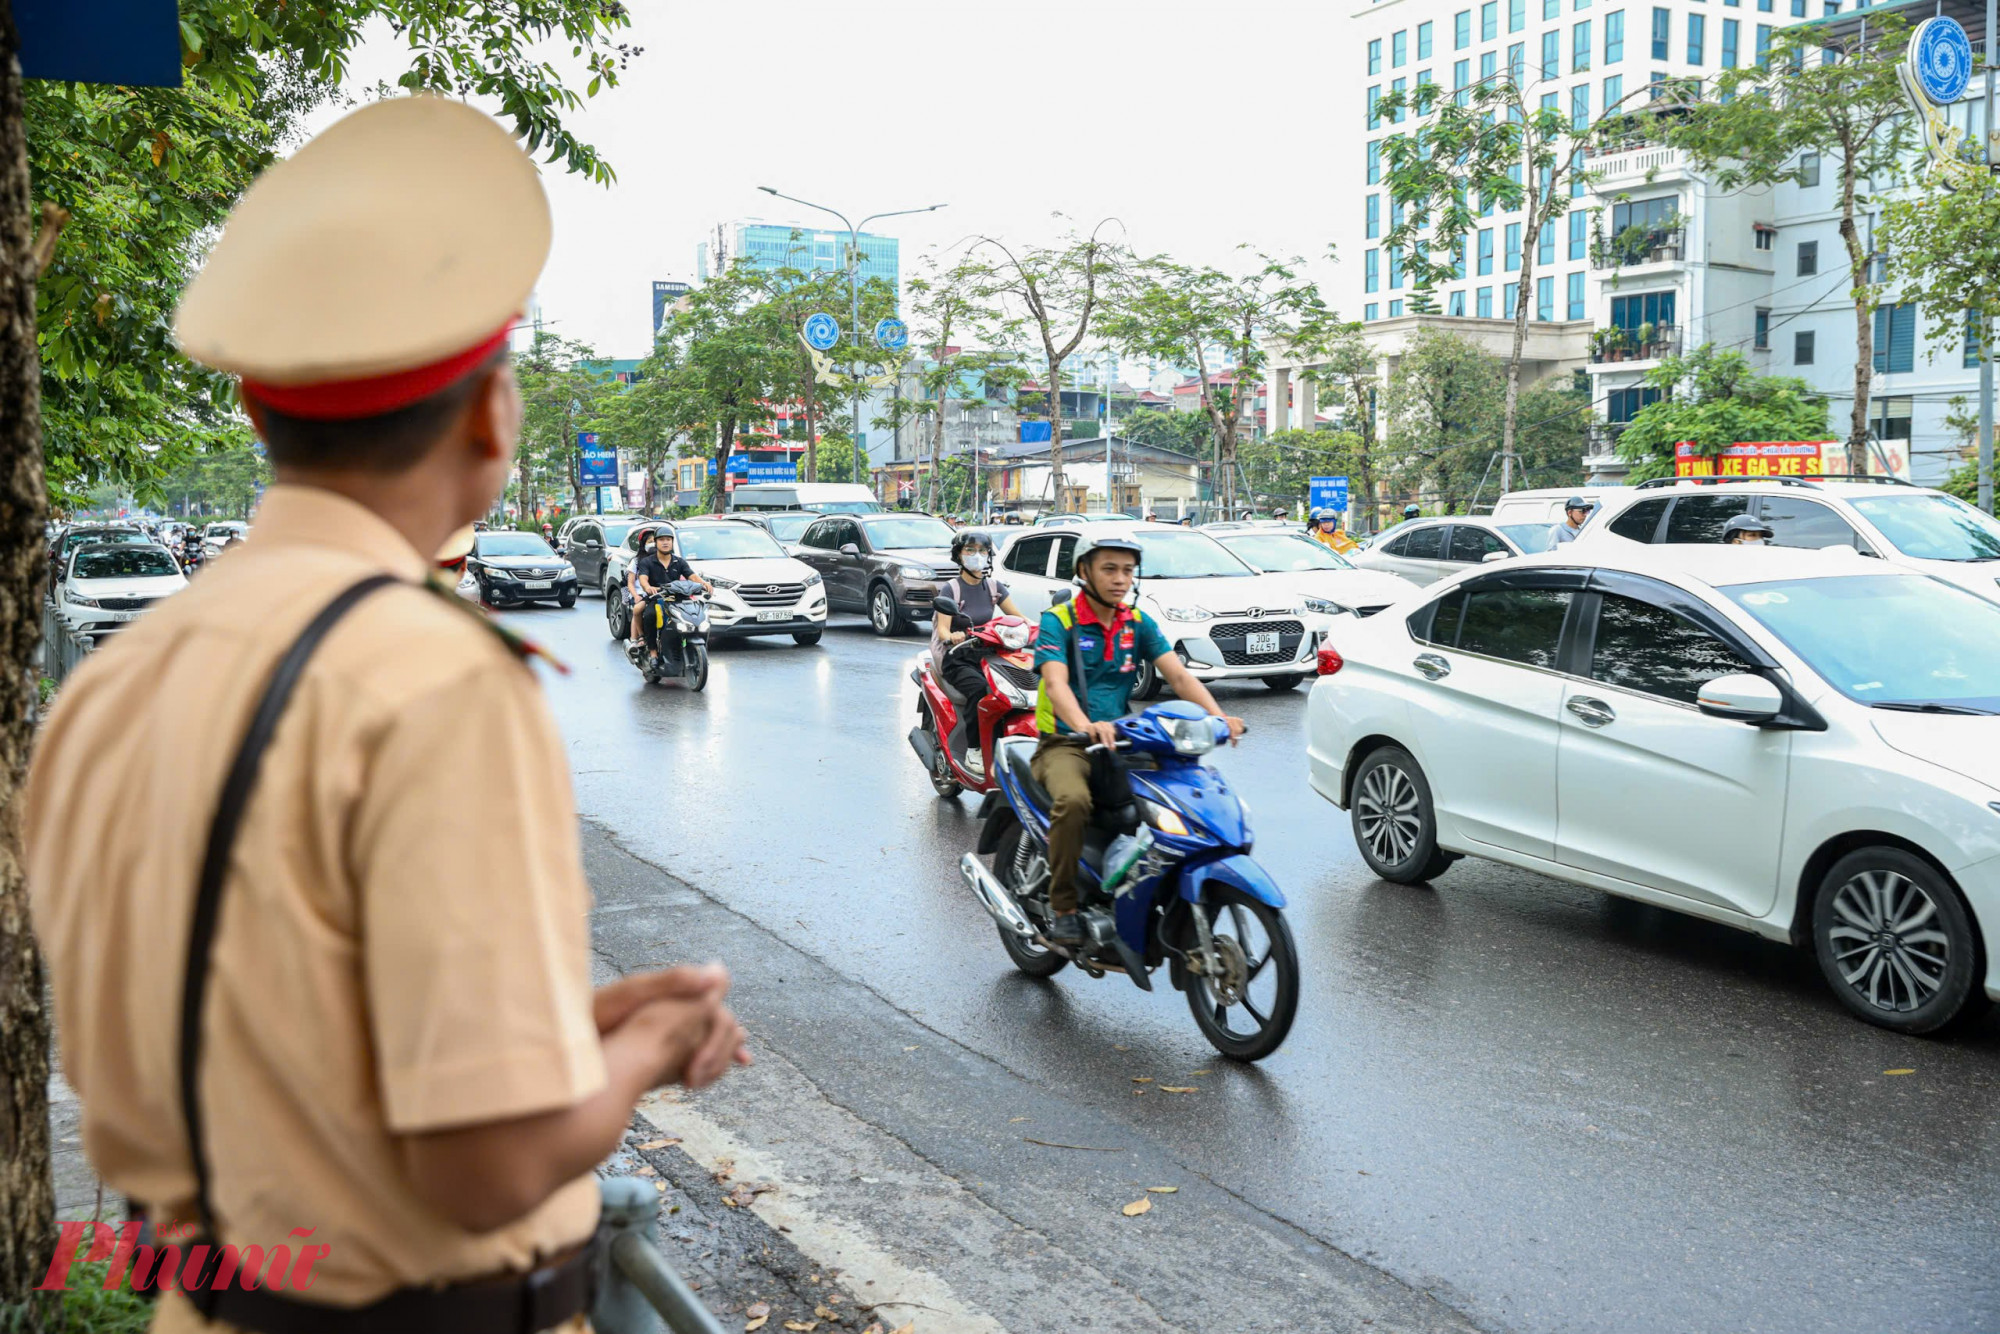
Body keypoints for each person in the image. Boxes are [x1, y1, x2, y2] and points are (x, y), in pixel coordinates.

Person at [26, 97, 748, 1334]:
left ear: (257, 417)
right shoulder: (436, 678)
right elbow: (487, 1172)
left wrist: (559, 1036)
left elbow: (257, 1033)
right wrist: (649, 1047)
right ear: (491, 417)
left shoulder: (108, 685)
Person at [1032, 534, 1245, 947]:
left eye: (1127, 570)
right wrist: (1084, 724)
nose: (1120, 579)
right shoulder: (1059, 621)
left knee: (1178, 799)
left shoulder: (1136, 623)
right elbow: (1055, 684)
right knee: (1073, 802)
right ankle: (1065, 908)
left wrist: (1219, 717)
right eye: (1109, 569)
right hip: (1066, 742)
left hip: (1125, 741)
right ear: (1084, 572)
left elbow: (1179, 676)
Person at [932, 531, 1025, 777]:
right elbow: (943, 629)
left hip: (987, 654)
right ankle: (974, 750)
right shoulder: (951, 589)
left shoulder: (994, 587)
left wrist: (1047, 627)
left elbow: (1019, 618)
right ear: (959, 556)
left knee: (1018, 688)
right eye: (970, 550)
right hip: (957, 655)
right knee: (980, 690)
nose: (977, 556)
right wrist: (953, 635)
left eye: (983, 551)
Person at [633, 526, 709, 663]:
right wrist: (648, 587)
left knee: (697, 615)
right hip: (656, 597)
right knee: (648, 614)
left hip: (678, 599)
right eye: (661, 539)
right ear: (656, 543)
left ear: (672, 542)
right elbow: (643, 578)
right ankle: (652, 651)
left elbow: (692, 576)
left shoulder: (679, 561)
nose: (665, 542)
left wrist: (704, 584)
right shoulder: (647, 562)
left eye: (668, 539)